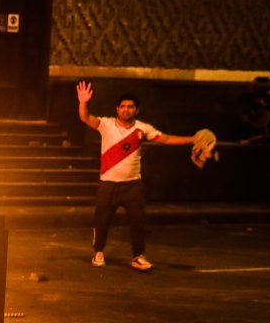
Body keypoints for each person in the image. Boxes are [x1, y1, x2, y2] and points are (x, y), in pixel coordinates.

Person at [76, 81, 196, 272]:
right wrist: (83, 102)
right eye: (122, 106)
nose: (126, 109)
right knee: (102, 220)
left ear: (136, 110)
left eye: (130, 107)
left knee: (138, 222)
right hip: (108, 184)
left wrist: (193, 139)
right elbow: (85, 117)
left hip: (132, 185)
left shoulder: (143, 128)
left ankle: (138, 256)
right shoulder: (106, 124)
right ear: (117, 109)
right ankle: (98, 252)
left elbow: (165, 138)